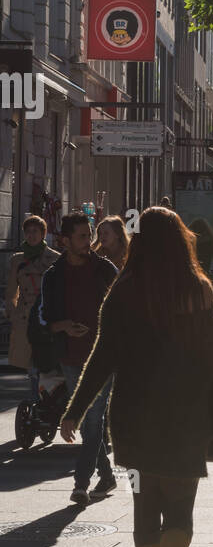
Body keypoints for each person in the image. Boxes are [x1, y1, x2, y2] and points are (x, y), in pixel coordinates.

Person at [60, 208, 213, 547]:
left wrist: (74, 412)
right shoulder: (199, 288)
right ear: (180, 240)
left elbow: (102, 357)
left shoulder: (124, 290)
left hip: (133, 420)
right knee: (180, 510)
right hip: (186, 417)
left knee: (143, 509)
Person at [34, 212, 117, 505]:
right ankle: (106, 476)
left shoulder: (105, 270)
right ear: (66, 240)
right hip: (70, 356)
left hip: (104, 357)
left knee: (91, 420)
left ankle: (81, 483)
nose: (89, 241)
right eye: (82, 236)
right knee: (86, 421)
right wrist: (65, 326)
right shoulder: (54, 275)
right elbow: (43, 317)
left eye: (89, 234)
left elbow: (123, 310)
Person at [4, 215, 59, 401]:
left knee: (44, 361)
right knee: (30, 364)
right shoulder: (17, 260)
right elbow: (11, 290)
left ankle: (45, 399)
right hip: (24, 318)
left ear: (43, 233)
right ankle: (36, 399)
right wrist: (11, 312)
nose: (31, 235)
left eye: (35, 231)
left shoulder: (55, 258)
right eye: (28, 232)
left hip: (45, 316)